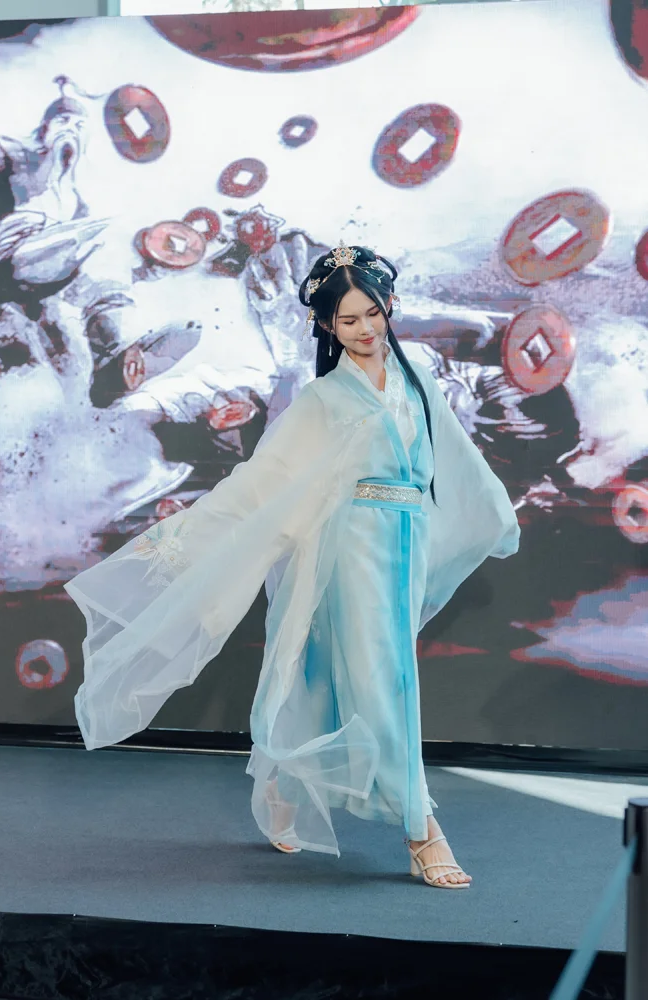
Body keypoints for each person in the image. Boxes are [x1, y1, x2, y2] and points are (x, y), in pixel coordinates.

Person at [65, 243, 520, 889]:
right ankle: (421, 829)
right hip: (350, 546)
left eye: (372, 313)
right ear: (327, 326)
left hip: (406, 541)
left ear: (389, 306)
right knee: (384, 681)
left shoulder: (418, 382)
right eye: (348, 320)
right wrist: (188, 539)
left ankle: (283, 778)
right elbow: (265, 480)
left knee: (332, 672)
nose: (364, 329)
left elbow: (457, 457)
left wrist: (493, 515)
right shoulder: (323, 398)